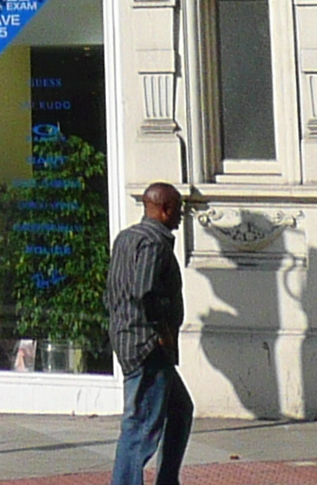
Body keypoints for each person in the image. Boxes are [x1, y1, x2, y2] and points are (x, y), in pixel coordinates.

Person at [105, 181, 191, 485]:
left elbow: (114, 291)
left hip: (131, 339)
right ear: (164, 209)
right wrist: (161, 331)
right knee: (141, 425)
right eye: (179, 209)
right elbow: (145, 292)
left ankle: (168, 480)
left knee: (179, 409)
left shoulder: (126, 238)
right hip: (147, 346)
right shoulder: (154, 243)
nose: (182, 216)